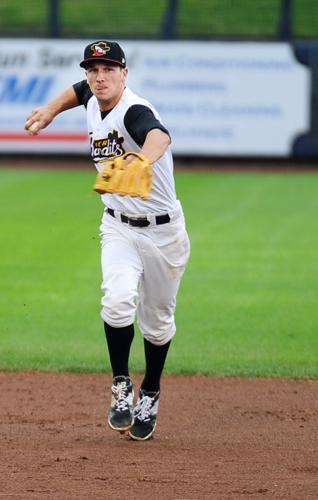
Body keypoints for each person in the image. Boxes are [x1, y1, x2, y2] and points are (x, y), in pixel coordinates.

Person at [25, 40, 190, 441]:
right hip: (118, 226)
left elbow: (157, 135)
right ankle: (121, 384)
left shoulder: (134, 109)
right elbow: (78, 92)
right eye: (93, 69)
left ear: (124, 74)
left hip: (164, 234)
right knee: (116, 302)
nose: (100, 77)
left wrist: (140, 160)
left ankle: (149, 388)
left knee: (157, 323)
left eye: (109, 69)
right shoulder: (91, 95)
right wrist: (49, 109)